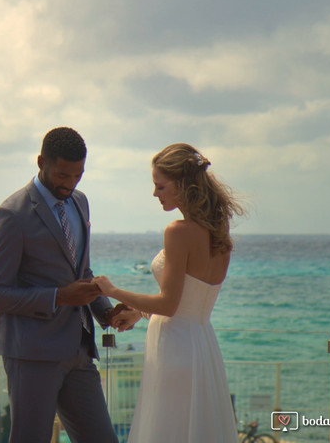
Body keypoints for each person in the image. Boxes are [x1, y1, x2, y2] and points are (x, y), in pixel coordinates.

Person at [0, 127, 137, 443]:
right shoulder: (11, 215)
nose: (70, 184)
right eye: (62, 175)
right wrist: (60, 297)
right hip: (31, 351)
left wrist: (106, 313)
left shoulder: (80, 203)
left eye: (78, 175)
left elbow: (82, 271)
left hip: (79, 349)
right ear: (41, 162)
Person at [94, 143, 244, 443]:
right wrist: (139, 311)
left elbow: (170, 304)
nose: (155, 194)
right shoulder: (218, 229)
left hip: (174, 348)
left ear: (183, 185)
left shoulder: (178, 231)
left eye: (160, 186)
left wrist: (112, 290)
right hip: (202, 345)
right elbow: (191, 300)